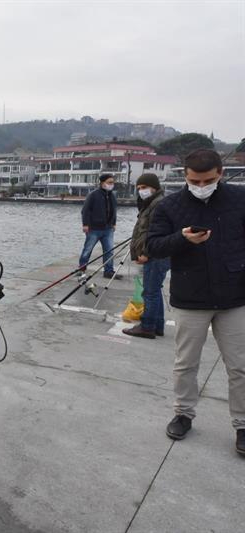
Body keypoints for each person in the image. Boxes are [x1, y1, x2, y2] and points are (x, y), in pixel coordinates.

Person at [147, 148, 245, 456]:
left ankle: (242, 424)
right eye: (193, 180)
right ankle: (183, 414)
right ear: (184, 176)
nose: (200, 185)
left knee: (240, 366)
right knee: (185, 364)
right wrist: (183, 239)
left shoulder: (239, 199)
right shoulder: (169, 206)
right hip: (190, 298)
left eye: (207, 180)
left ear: (220, 174)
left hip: (234, 296)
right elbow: (153, 246)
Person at [123, 173, 170, 339]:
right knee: (155, 290)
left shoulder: (158, 205)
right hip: (158, 254)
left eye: (143, 188)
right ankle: (157, 325)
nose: (141, 191)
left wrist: (145, 253)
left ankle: (147, 326)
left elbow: (156, 232)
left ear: (154, 187)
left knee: (150, 292)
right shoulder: (151, 203)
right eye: (138, 189)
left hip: (155, 254)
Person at [79, 173, 121, 279]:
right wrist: (85, 224)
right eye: (109, 182)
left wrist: (114, 223)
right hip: (94, 229)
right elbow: (85, 211)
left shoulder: (112, 195)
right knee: (87, 250)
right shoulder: (93, 195)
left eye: (112, 182)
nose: (112, 184)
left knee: (109, 251)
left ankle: (108, 271)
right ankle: (81, 269)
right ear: (102, 183)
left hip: (108, 229)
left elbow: (114, 210)